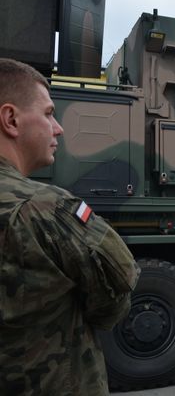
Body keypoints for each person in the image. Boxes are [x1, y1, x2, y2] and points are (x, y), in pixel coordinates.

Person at [0, 58, 140, 395]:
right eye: (48, 114)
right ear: (11, 119)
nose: (58, 128)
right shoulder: (46, 208)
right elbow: (115, 300)